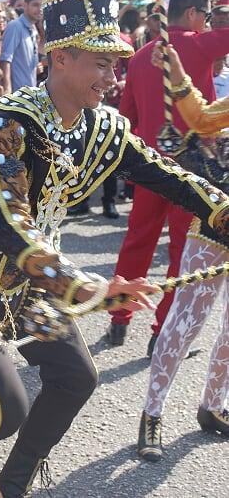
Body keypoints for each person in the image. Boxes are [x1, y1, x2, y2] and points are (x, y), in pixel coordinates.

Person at [0, 0, 229, 498]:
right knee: (4, 411)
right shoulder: (10, 122)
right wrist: (85, 286)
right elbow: (9, 220)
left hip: (32, 285)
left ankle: (8, 489)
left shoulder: (103, 128)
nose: (111, 78)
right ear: (61, 58)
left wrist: (221, 209)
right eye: (100, 64)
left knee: (75, 378)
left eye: (115, 65)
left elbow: (167, 173)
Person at [107, 0, 229, 353]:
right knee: (181, 248)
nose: (210, 24)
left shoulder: (143, 54)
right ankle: (163, 329)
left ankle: (118, 319)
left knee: (138, 240)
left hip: (148, 163)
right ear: (193, 13)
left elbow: (126, 115)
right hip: (192, 166)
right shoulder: (197, 44)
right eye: (207, 16)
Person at [138, 42, 229, 461]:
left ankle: (213, 406)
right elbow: (200, 118)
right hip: (216, 221)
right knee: (184, 323)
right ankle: (152, 415)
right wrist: (176, 70)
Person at [0, 0, 45, 93]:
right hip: (16, 95)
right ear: (25, 5)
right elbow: (6, 59)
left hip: (29, 95)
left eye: (43, 5)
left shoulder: (33, 29)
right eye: (35, 5)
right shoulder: (15, 26)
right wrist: (7, 90)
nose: (40, 9)